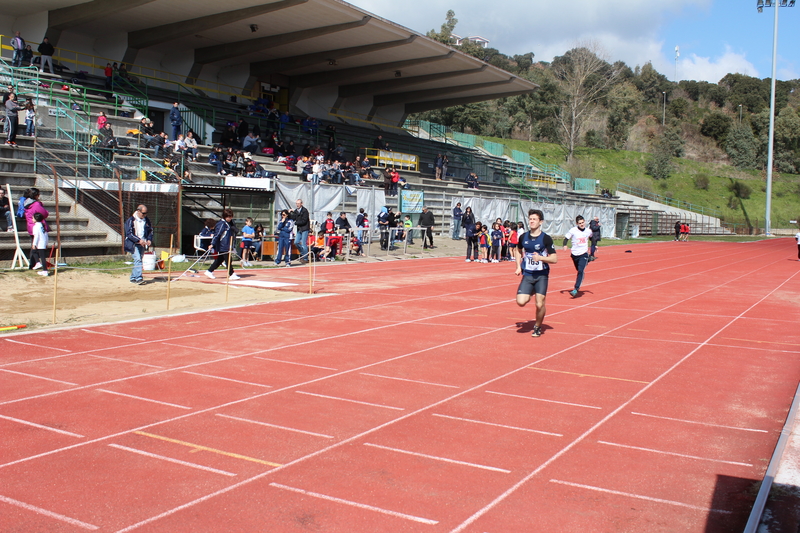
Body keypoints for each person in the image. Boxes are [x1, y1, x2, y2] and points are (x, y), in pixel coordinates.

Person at [515, 209, 558, 338]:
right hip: (527, 274)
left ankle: (538, 326)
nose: (532, 221)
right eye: (530, 219)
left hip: (541, 275)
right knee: (521, 302)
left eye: (534, 219)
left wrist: (541, 258)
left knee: (540, 303)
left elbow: (554, 259)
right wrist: (518, 266)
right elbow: (518, 250)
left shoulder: (546, 238)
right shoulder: (523, 237)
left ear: (541, 222)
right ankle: (531, 290)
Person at [205, 209, 240, 280]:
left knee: (220, 259)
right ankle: (231, 273)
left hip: (228, 244)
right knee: (228, 260)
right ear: (224, 216)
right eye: (228, 217)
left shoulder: (230, 223)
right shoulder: (221, 224)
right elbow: (217, 235)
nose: (230, 218)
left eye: (231, 216)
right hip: (223, 245)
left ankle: (209, 271)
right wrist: (212, 244)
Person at [563, 215, 592, 297]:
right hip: (574, 254)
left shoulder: (588, 231)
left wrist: (595, 245)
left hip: (584, 253)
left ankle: (576, 289)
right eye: (580, 223)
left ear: (584, 221)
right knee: (578, 269)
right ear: (577, 223)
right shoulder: (573, 230)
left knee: (580, 270)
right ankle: (588, 260)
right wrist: (565, 245)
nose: (582, 224)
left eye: (583, 222)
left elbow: (592, 238)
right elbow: (566, 238)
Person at [124, 205, 152, 285]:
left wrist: (149, 239)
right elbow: (129, 234)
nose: (145, 215)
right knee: (138, 259)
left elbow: (150, 230)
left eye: (146, 213)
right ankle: (139, 278)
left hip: (142, 243)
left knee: (138, 260)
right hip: (133, 244)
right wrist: (138, 240)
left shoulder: (146, 220)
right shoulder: (131, 220)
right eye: (143, 213)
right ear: (138, 211)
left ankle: (133, 278)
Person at [289, 198, 310, 263]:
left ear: (301, 204)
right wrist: (290, 213)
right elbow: (293, 218)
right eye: (296, 203)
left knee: (303, 243)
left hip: (305, 229)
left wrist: (296, 223)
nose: (297, 205)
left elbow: (304, 221)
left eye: (298, 203)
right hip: (299, 229)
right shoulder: (296, 211)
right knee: (296, 242)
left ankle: (305, 258)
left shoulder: (305, 211)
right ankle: (303, 253)